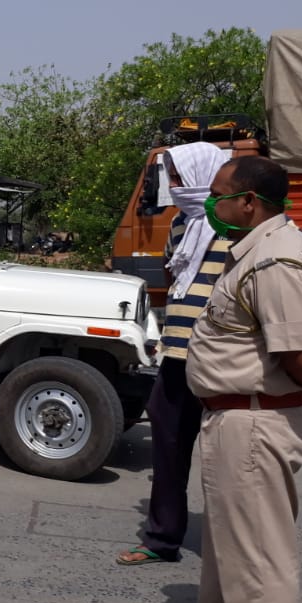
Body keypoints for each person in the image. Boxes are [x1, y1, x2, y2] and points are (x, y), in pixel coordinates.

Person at [170, 156, 302, 603]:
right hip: (239, 416)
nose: (211, 203)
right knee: (231, 547)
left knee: (257, 560)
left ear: (248, 202)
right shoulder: (259, 250)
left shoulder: (275, 261)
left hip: (253, 422)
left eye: (219, 194)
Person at [116, 142, 230, 566]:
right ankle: (162, 539)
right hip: (176, 357)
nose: (176, 187)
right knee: (168, 447)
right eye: (173, 179)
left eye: (181, 178)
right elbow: (171, 273)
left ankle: (233, 547)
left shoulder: (236, 225)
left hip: (221, 362)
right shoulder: (182, 223)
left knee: (227, 460)